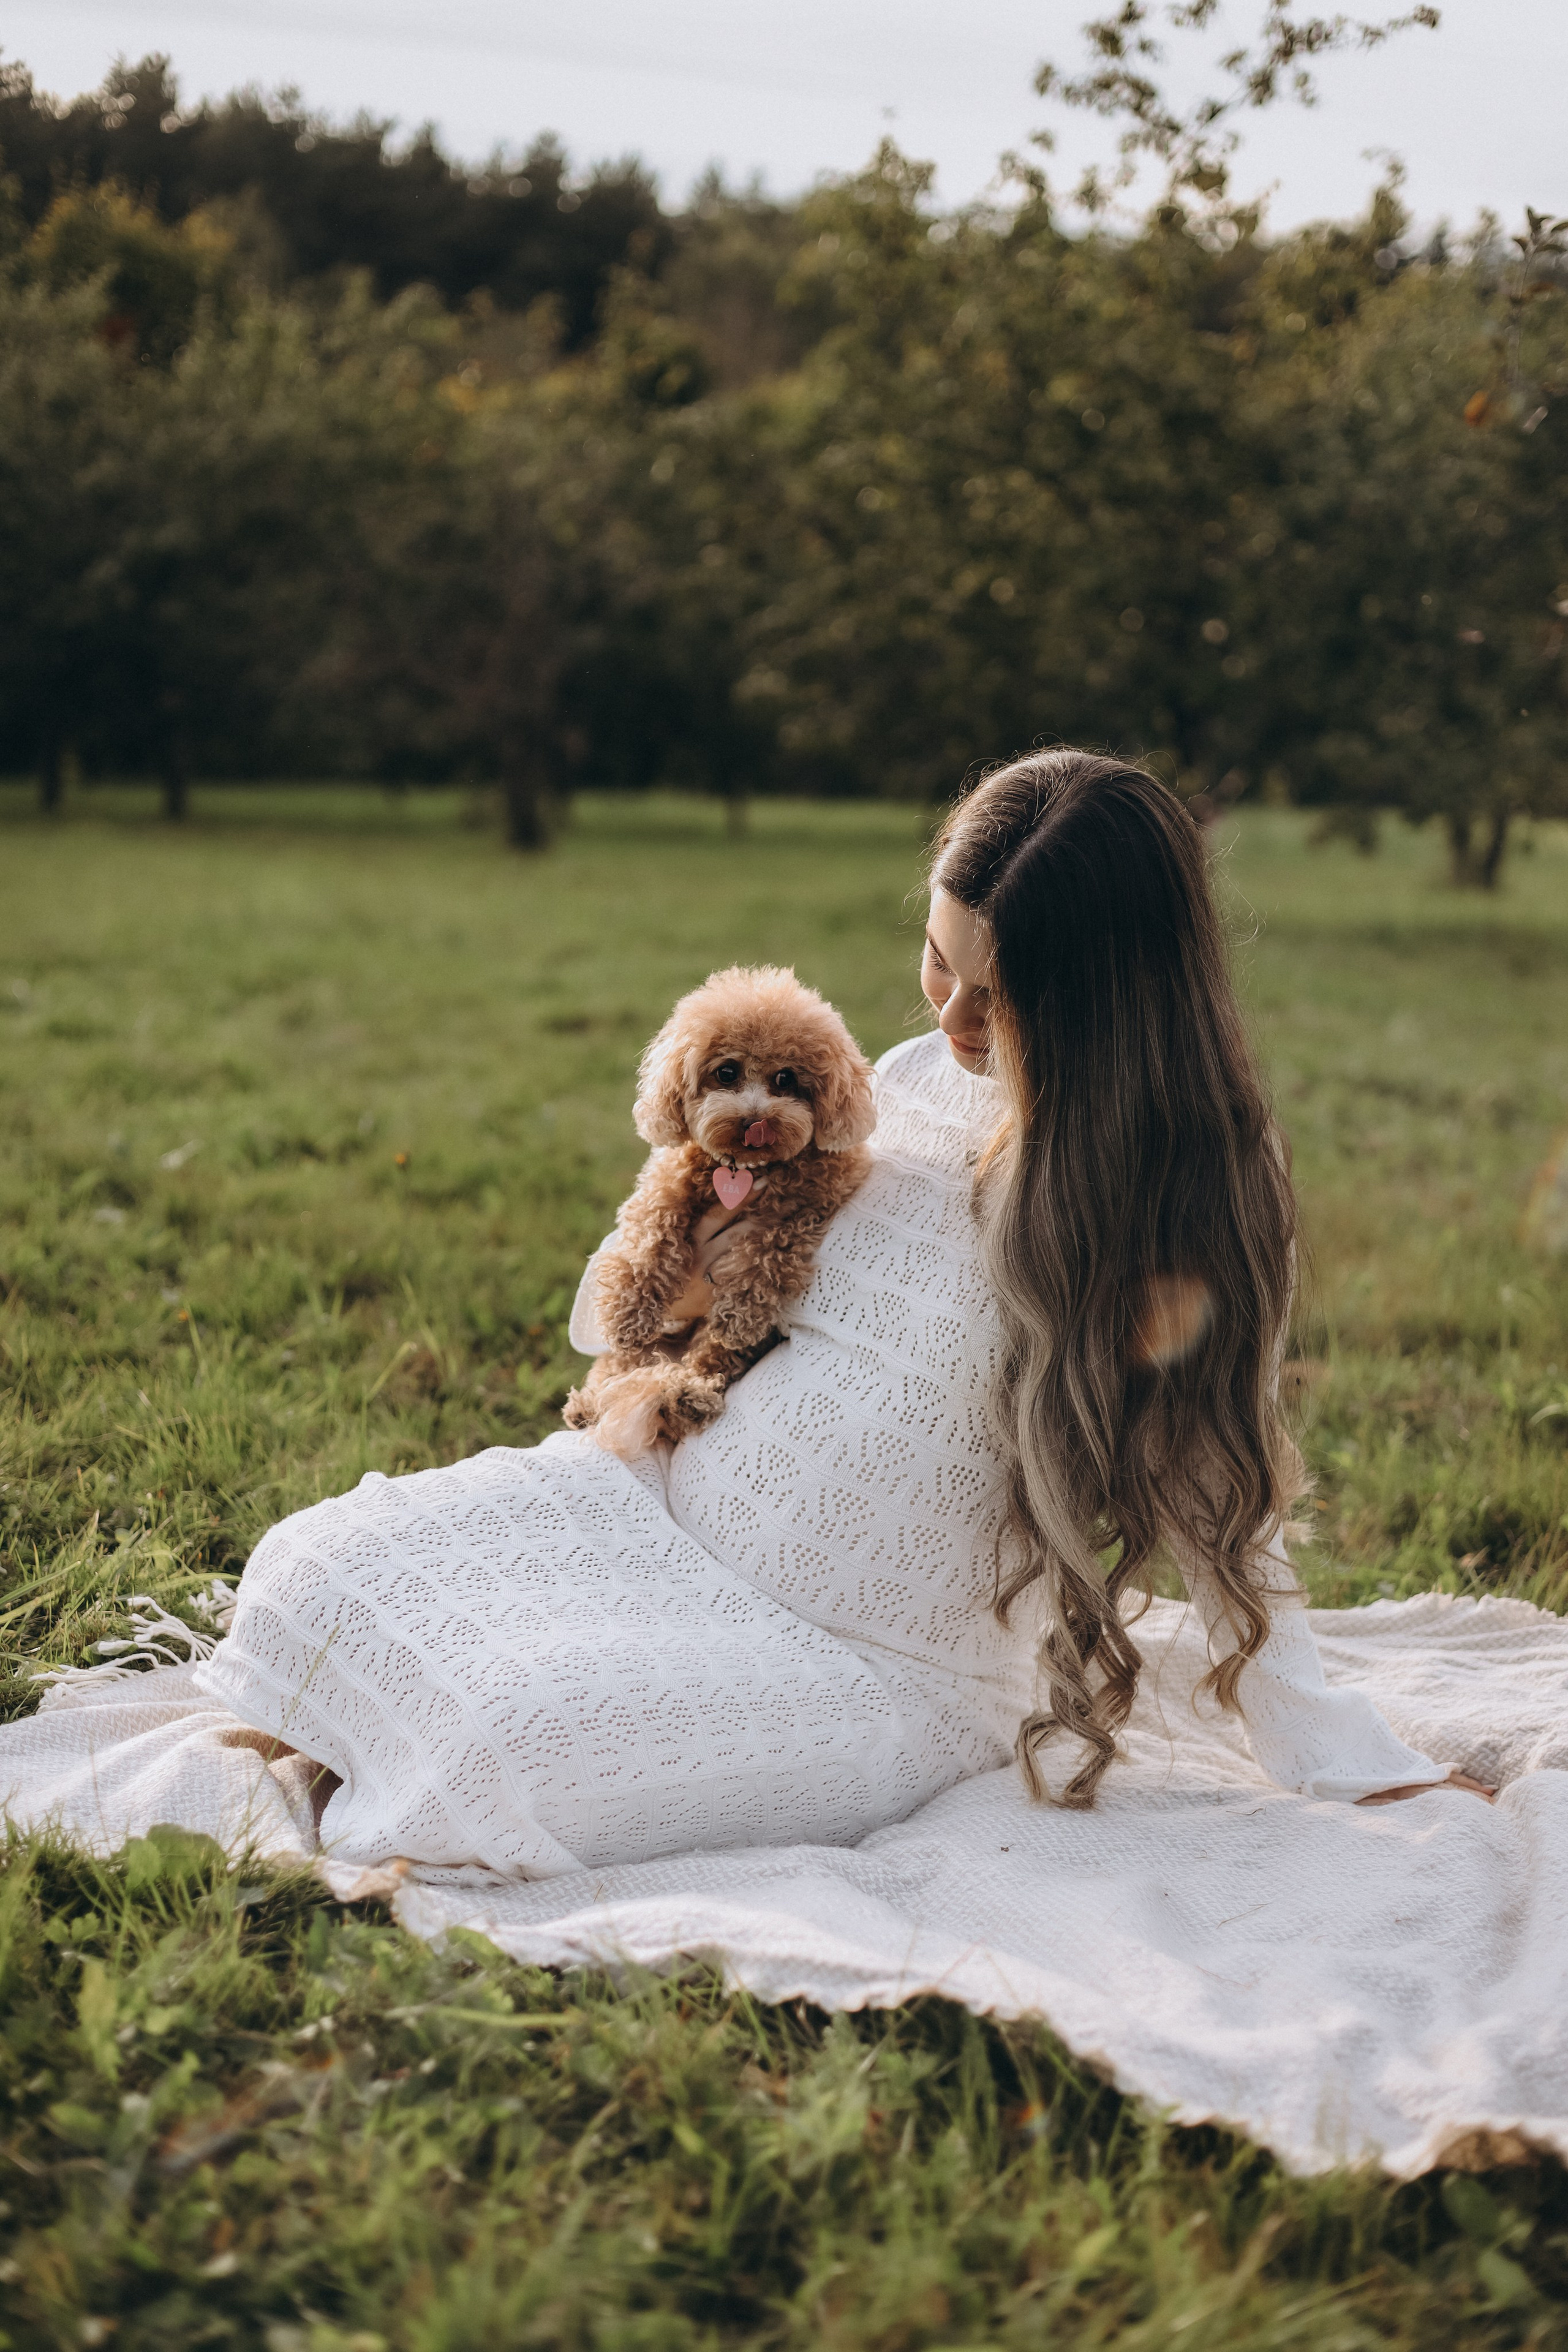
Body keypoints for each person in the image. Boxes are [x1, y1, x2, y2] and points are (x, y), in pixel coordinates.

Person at [195, 752, 1490, 1873]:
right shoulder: (907, 1082)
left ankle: (407, 1737)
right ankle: (398, 1702)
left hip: (875, 1668)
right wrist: (695, 1269)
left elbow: (1222, 1492)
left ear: (1108, 1002)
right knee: (311, 1561)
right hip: (657, 1513)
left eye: (1001, 997)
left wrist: (1329, 1750)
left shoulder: (1185, 1188)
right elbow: (611, 1325)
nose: (953, 1019)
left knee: (509, 1753)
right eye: (937, 965)